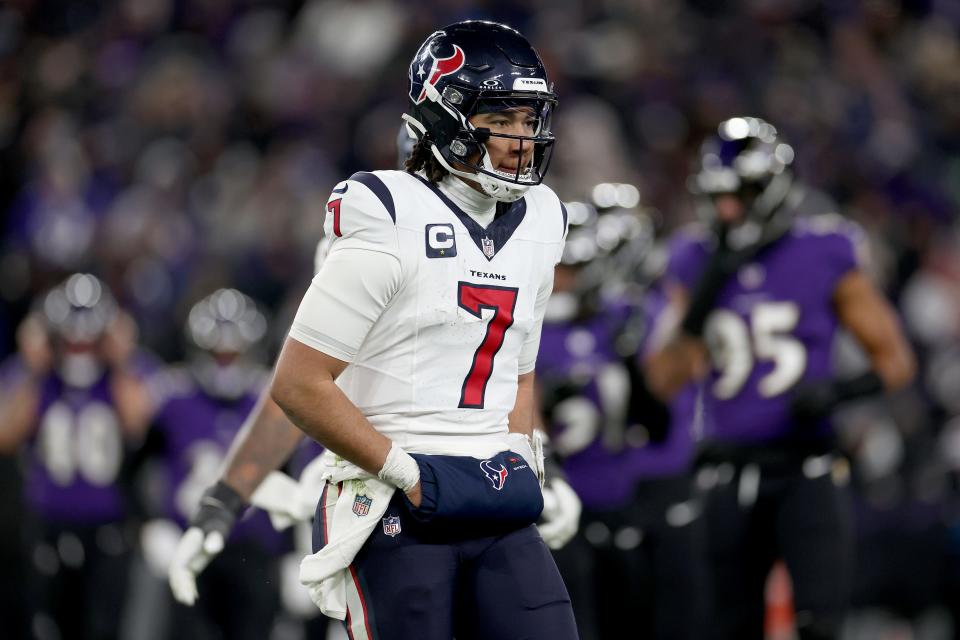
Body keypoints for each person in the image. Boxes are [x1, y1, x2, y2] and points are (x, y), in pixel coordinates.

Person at [169, 19, 578, 640]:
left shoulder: (542, 220)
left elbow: (514, 372)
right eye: (503, 120)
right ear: (444, 121)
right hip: (389, 495)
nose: (522, 141)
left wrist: (529, 462)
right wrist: (228, 496)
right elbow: (301, 384)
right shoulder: (383, 217)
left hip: (489, 495)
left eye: (529, 121)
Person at [644, 116, 917, 640]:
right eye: (719, 195)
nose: (727, 209)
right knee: (729, 626)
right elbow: (663, 380)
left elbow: (895, 361)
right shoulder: (692, 257)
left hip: (806, 467)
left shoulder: (825, 249)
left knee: (819, 624)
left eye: (741, 193)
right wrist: (709, 288)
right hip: (726, 471)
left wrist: (839, 392)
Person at [538, 204, 706, 640]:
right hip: (551, 506)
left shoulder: (618, 324)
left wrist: (631, 360)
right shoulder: (521, 329)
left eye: (573, 267)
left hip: (619, 500)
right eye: (557, 267)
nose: (563, 281)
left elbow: (656, 423)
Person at [0, 273, 154, 640]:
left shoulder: (126, 374)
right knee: (47, 625)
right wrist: (34, 370)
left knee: (104, 626)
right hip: (46, 521)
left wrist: (120, 361)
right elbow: (7, 436)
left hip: (110, 524)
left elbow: (138, 425)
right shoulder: (34, 377)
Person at [140, 289, 289, 639]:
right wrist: (151, 523)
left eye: (233, 354)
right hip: (188, 543)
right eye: (218, 354)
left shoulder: (271, 398)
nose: (226, 363)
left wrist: (295, 551)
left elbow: (294, 476)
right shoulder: (173, 397)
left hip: (253, 549)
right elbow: (136, 465)